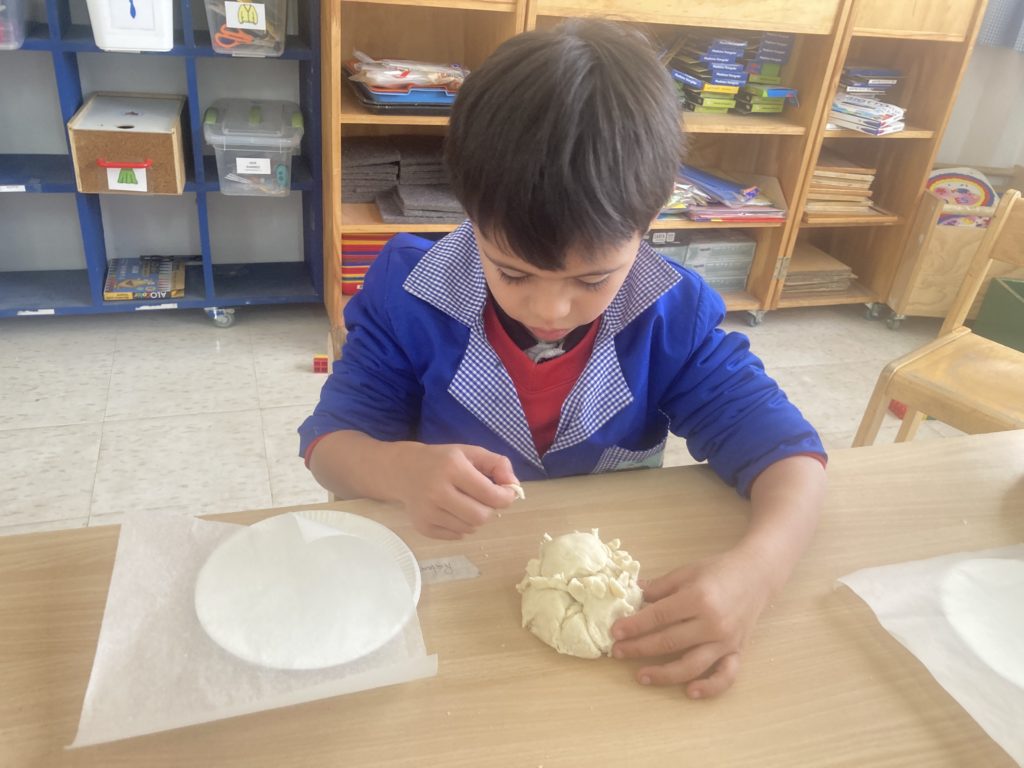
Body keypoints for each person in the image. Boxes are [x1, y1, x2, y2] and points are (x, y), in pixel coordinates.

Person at [299, 19, 827, 700]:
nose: (549, 309)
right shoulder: (410, 293)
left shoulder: (671, 314)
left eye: (592, 280)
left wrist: (758, 574)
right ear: (472, 214)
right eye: (512, 272)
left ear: (650, 221)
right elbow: (328, 446)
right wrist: (397, 469)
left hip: (605, 626)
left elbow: (789, 454)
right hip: (456, 598)